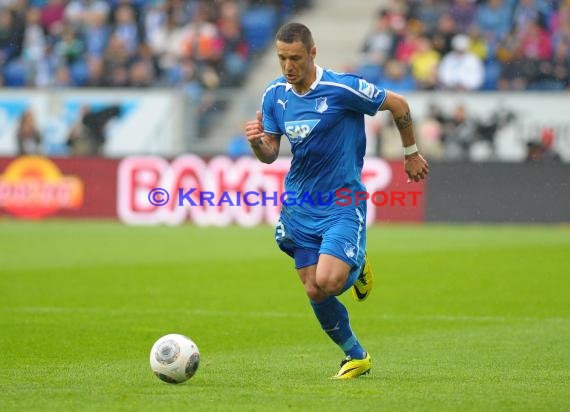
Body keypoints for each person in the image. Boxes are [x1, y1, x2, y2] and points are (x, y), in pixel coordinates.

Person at [244, 22, 428, 379]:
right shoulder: (274, 95)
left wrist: (411, 152)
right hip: (299, 204)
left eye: (295, 58)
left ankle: (357, 265)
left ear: (312, 53)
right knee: (314, 289)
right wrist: (256, 144)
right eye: (282, 58)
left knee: (329, 281)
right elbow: (270, 152)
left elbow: (399, 104)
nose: (288, 67)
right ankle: (355, 356)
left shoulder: (341, 88)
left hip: (341, 201)